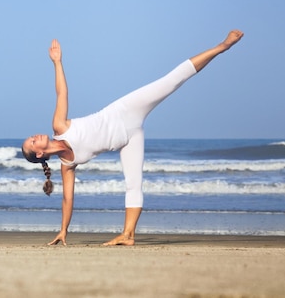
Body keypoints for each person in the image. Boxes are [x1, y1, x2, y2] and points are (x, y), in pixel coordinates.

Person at [21, 30, 244, 246]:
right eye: (32, 142)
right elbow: (68, 199)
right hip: (128, 139)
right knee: (133, 184)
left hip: (125, 111)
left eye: (31, 137)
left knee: (171, 80)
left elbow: (62, 93)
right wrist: (63, 231)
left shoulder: (59, 126)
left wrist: (57, 63)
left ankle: (221, 47)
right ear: (39, 154)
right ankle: (128, 235)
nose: (34, 136)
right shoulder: (67, 165)